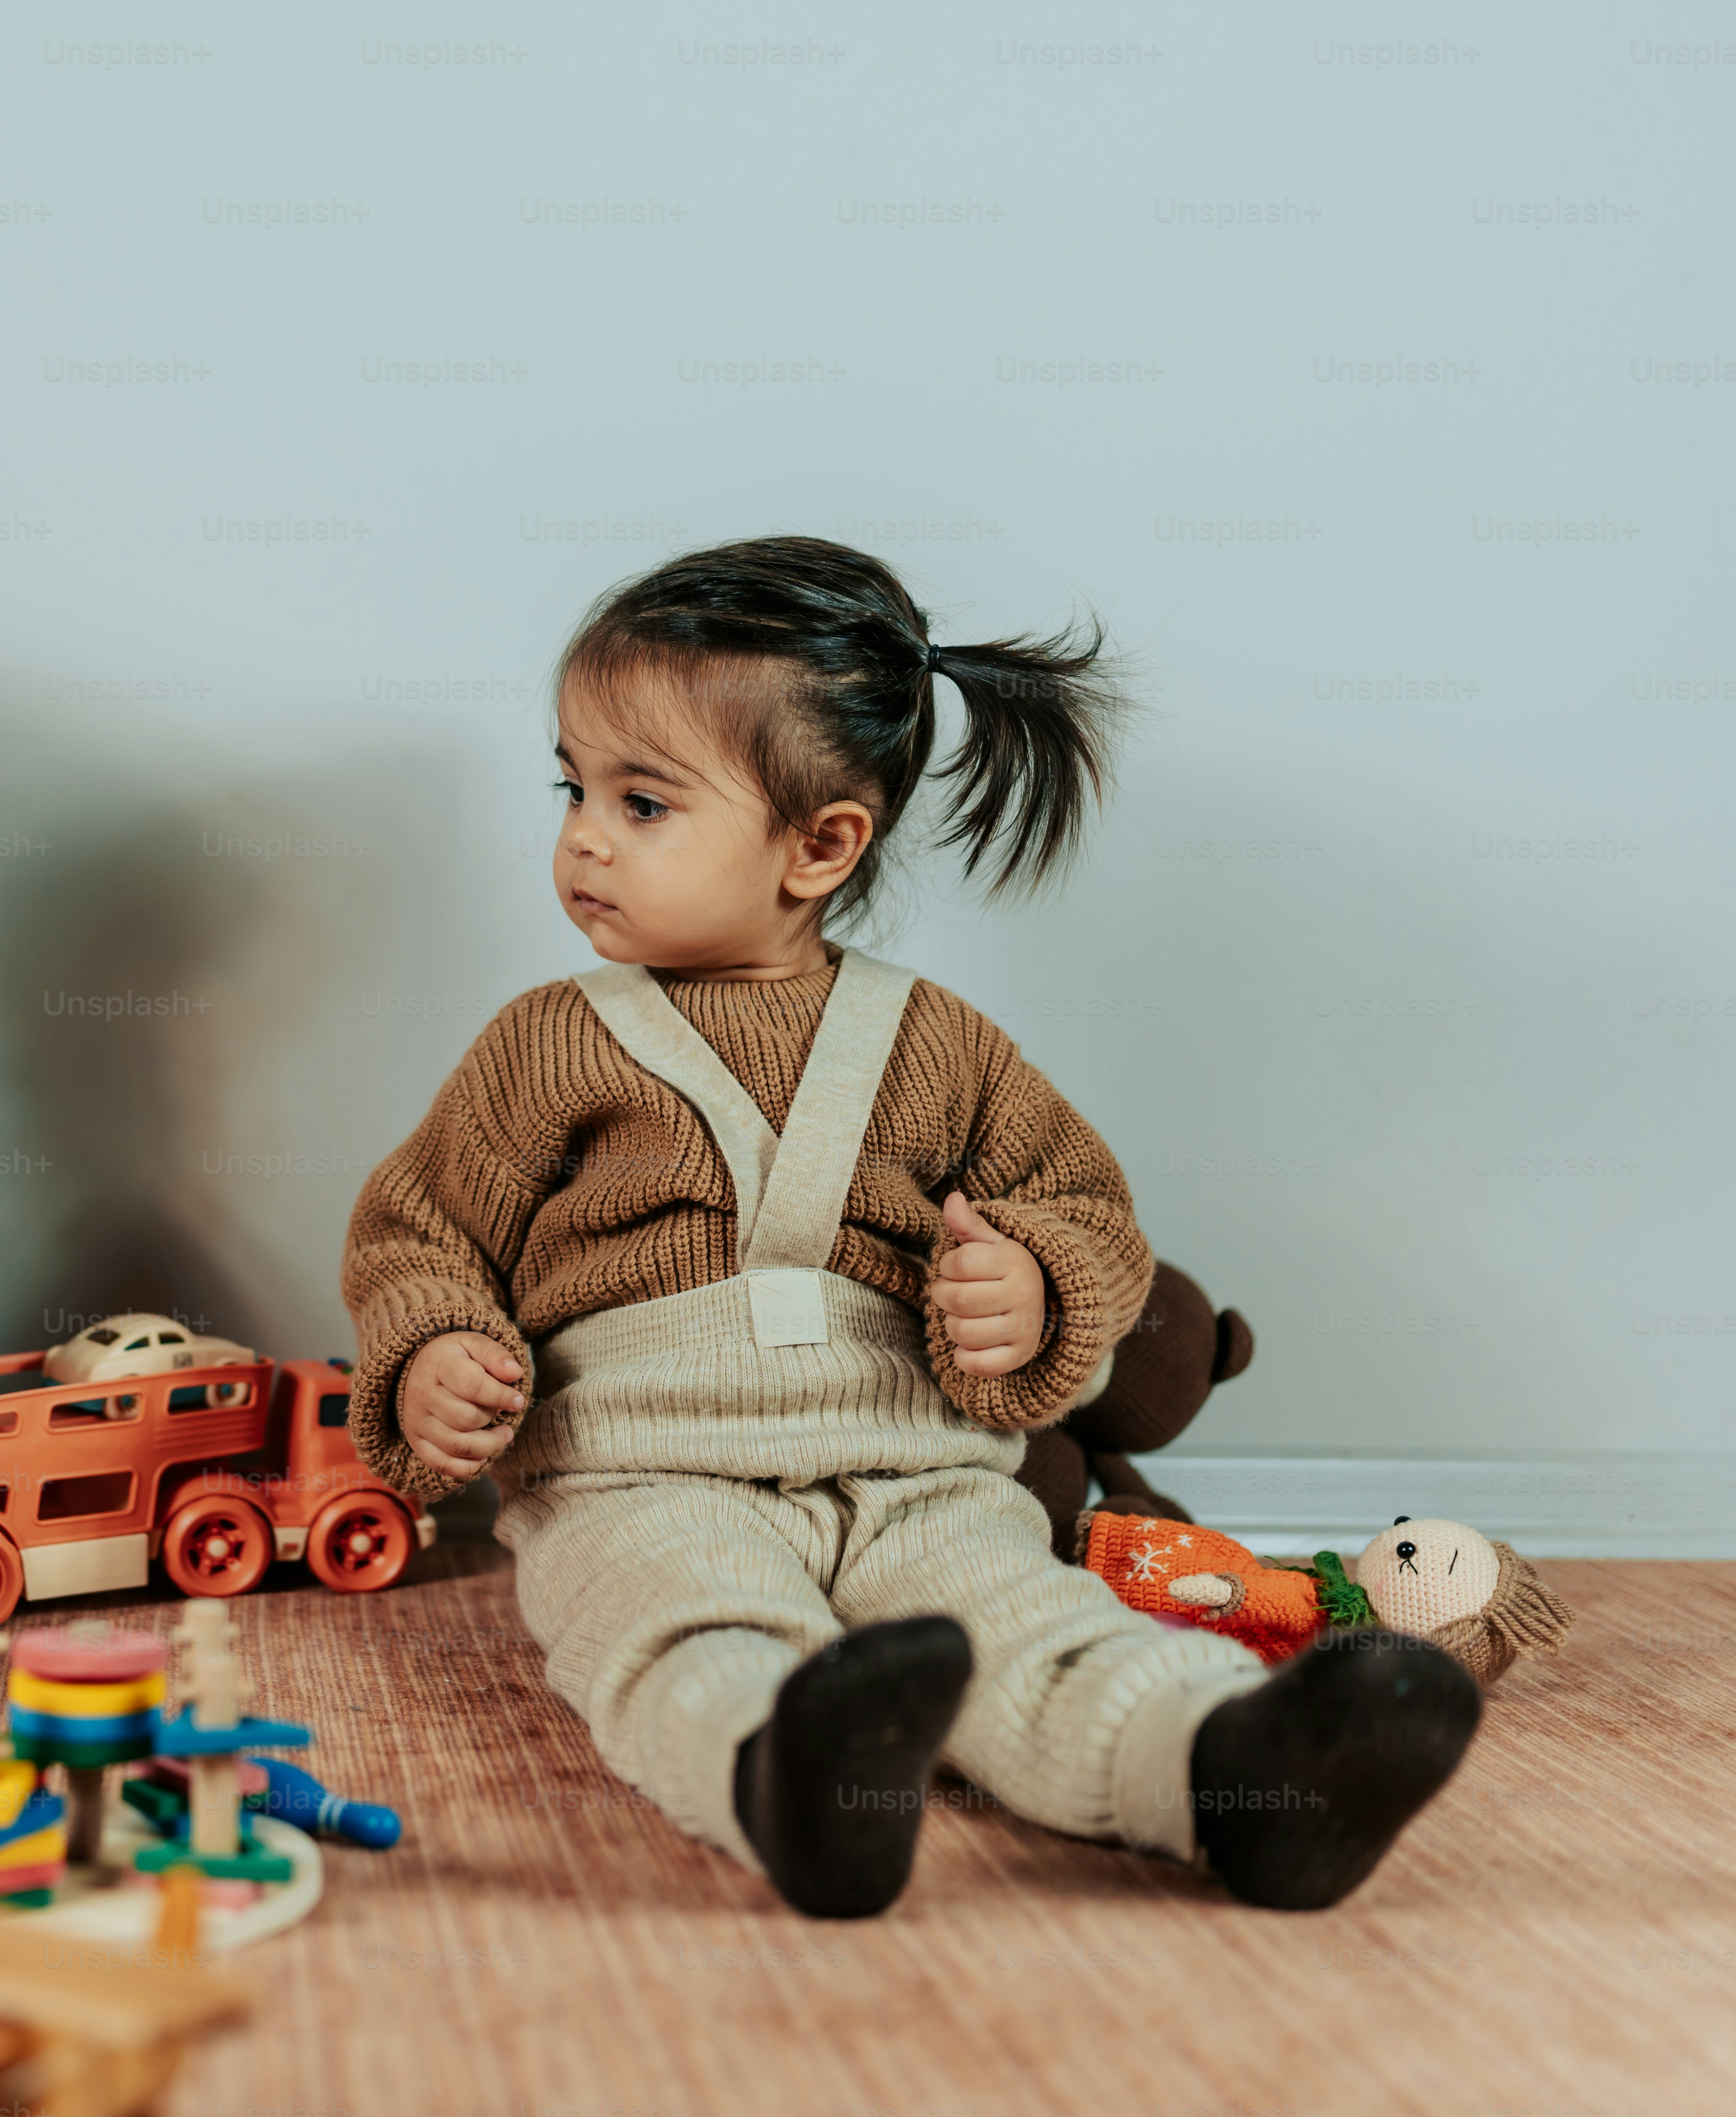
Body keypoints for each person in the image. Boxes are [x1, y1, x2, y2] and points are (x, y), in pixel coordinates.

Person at [340, 538, 1478, 1915]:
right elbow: (421, 1230)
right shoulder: (546, 1046)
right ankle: (795, 1776)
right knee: (674, 1624)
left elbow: (1086, 1208)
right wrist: (435, 1351)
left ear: (822, 846)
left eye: (643, 801)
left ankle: (1238, 1775)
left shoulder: (935, 1044)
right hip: (647, 1466)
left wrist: (1038, 1290)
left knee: (1033, 1629)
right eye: (573, 787)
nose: (583, 834)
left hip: (916, 1463)